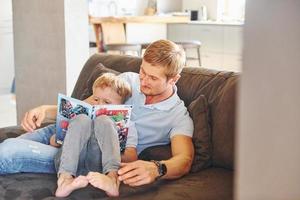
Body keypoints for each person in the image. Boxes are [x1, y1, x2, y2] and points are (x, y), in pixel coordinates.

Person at [0, 39, 194, 188]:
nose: (142, 81)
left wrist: (157, 168)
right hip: (71, 130)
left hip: (84, 154)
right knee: (12, 143)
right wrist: (46, 110)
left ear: (173, 79)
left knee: (8, 152)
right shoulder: (129, 80)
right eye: (142, 71)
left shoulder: (178, 115)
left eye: (152, 78)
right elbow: (84, 107)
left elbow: (184, 160)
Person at [54, 73, 137, 197]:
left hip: (100, 166)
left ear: (121, 106)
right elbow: (57, 143)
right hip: (71, 163)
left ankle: (111, 179)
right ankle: (65, 180)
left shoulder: (128, 124)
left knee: (104, 120)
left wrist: (112, 147)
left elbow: (132, 157)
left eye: (107, 102)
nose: (98, 105)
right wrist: (58, 138)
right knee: (81, 119)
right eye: (96, 99)